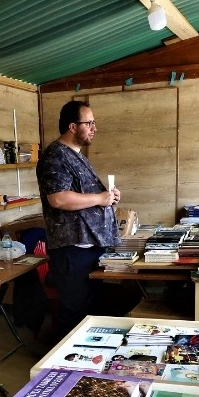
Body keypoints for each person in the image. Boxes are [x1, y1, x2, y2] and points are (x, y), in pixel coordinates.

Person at [36, 100, 121, 336]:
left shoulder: (76, 155)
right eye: (89, 123)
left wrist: (108, 197)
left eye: (94, 123)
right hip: (72, 249)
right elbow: (59, 199)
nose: (94, 128)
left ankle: (83, 362)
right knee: (75, 312)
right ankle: (64, 366)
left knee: (89, 309)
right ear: (72, 126)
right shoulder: (56, 155)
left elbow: (83, 195)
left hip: (87, 246)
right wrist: (99, 199)